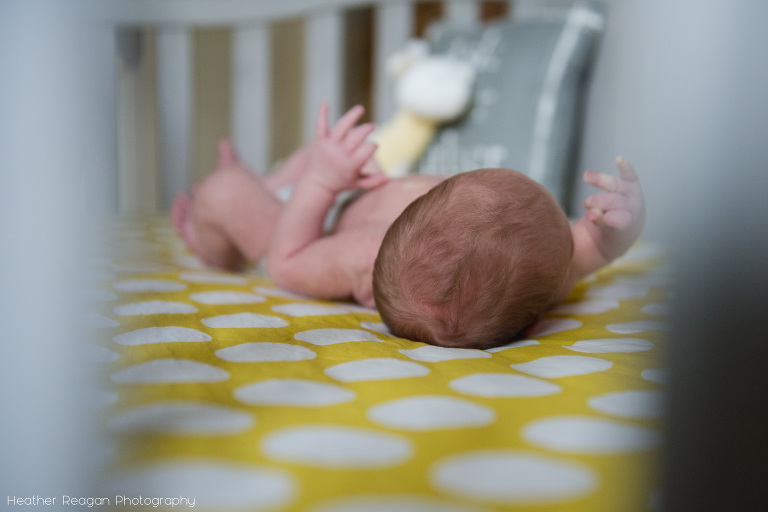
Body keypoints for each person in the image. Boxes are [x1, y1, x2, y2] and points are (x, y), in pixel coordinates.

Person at [172, 104, 645, 349]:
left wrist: (320, 182)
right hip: (350, 195)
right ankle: (277, 179)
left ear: (534, 325)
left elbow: (285, 262)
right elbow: (587, 250)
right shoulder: (539, 275)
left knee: (225, 190)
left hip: (307, 226)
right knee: (333, 151)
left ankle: (211, 242)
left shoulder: (362, 251)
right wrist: (610, 234)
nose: (573, 232)